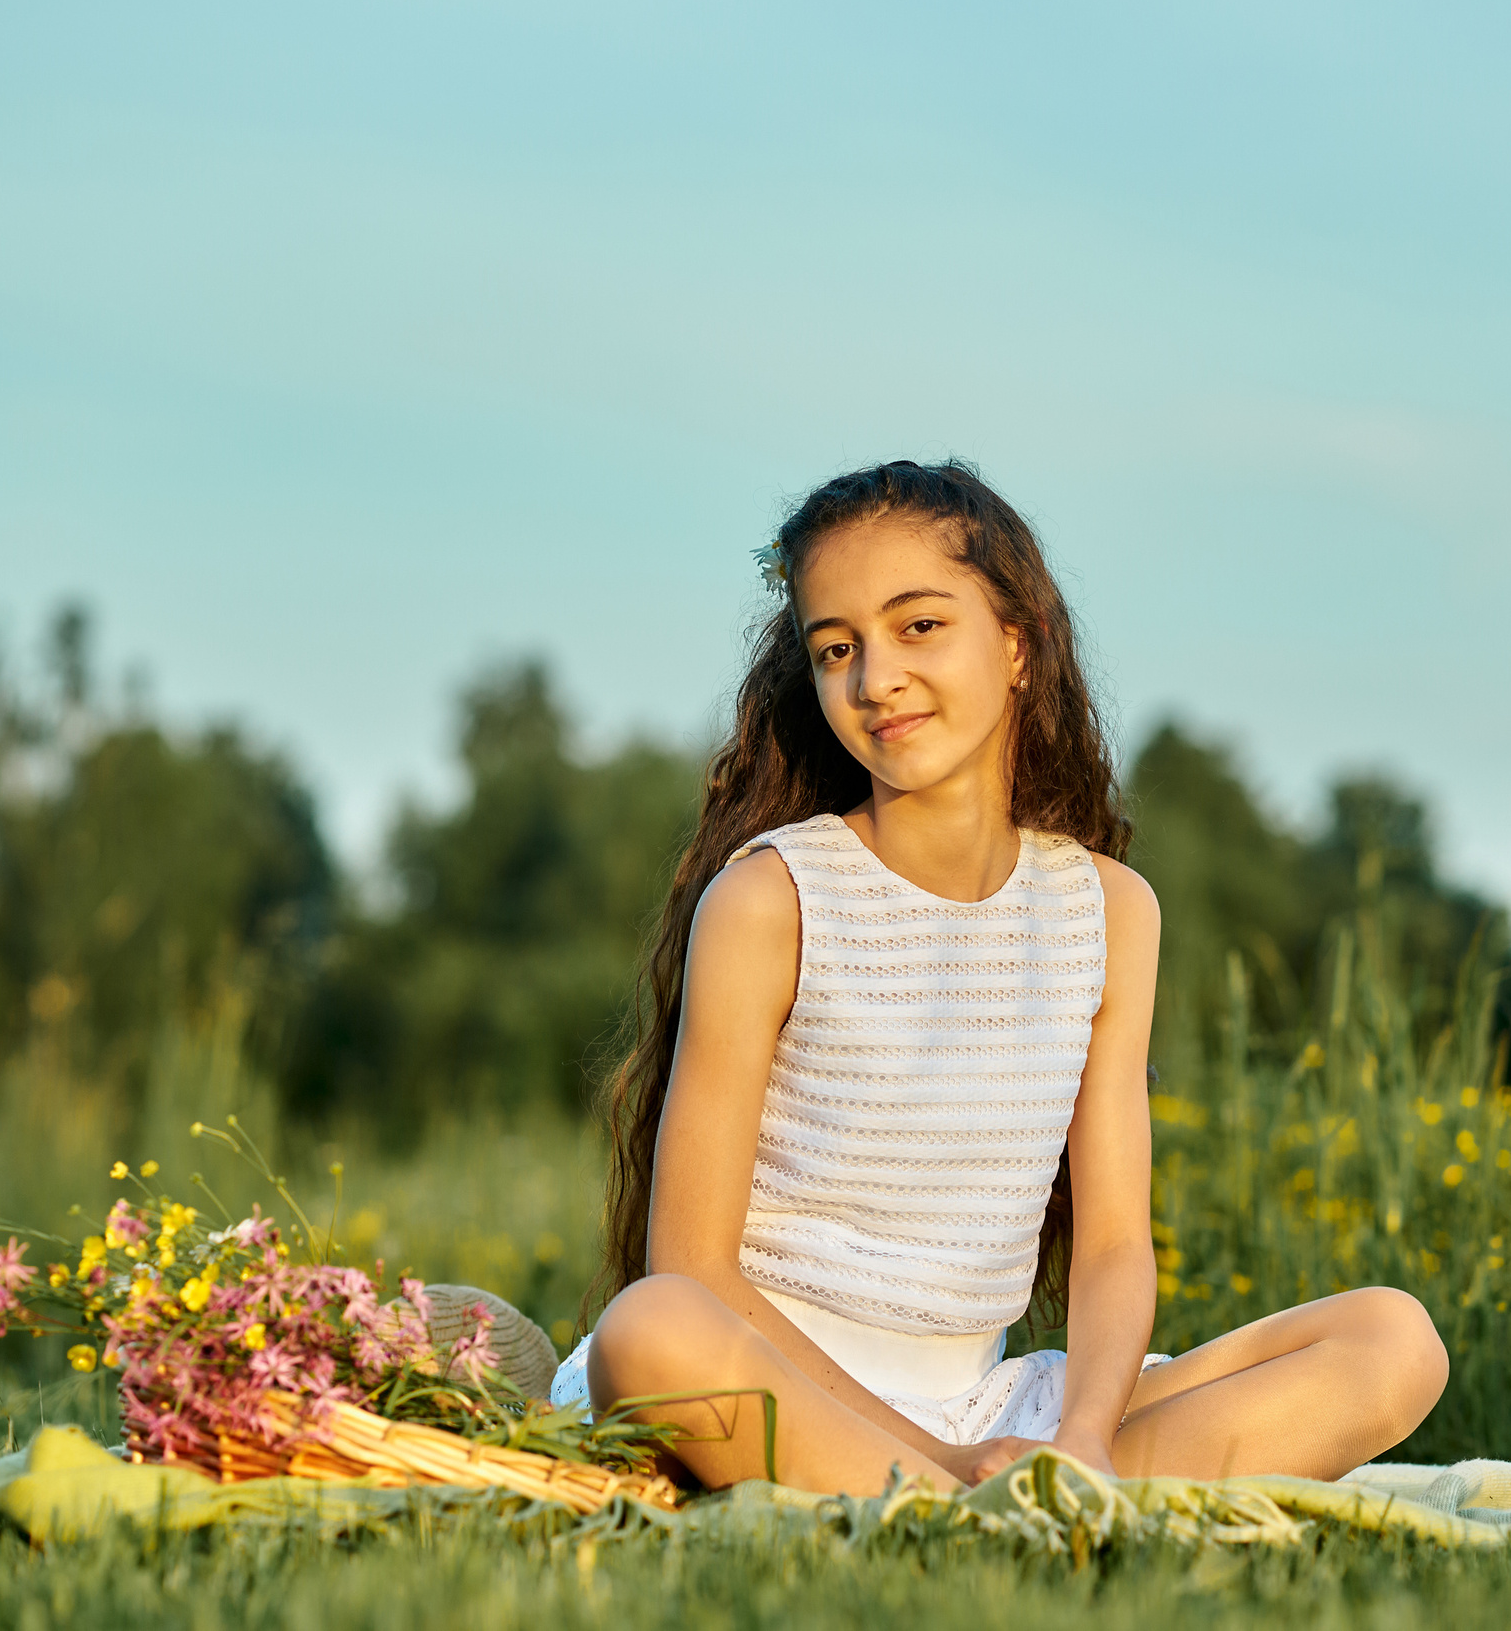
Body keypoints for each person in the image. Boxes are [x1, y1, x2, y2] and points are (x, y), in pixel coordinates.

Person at [545, 461, 1446, 1495]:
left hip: (985, 1403)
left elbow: (1112, 1246)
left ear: (1017, 642)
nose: (872, 677)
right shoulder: (771, 899)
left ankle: (1024, 1492)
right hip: (775, 1384)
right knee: (648, 1331)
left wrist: (1088, 1433)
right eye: (835, 646)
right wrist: (943, 1456)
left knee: (1392, 1337)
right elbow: (689, 1268)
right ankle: (972, 1497)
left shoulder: (1108, 909)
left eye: (917, 625)